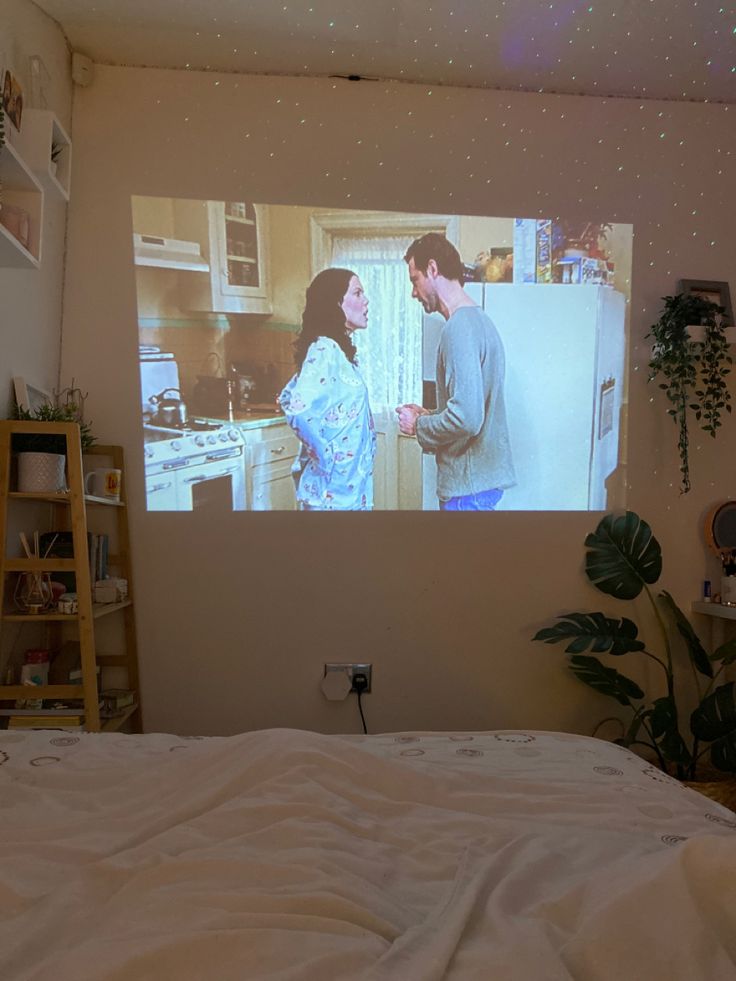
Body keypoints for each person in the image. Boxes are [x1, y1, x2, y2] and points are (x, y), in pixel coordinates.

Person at [396, 232, 515, 510]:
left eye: (415, 280)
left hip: (467, 489)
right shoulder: (480, 319)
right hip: (480, 483)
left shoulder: (458, 328)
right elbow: (472, 406)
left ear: (433, 269)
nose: (414, 292)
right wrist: (432, 415)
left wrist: (418, 425)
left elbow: (468, 418)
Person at [279, 267, 376, 510]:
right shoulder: (324, 349)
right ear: (335, 303)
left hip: (348, 489)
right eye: (357, 293)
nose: (365, 300)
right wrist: (326, 458)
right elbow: (297, 409)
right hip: (331, 493)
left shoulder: (337, 351)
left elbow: (289, 394)